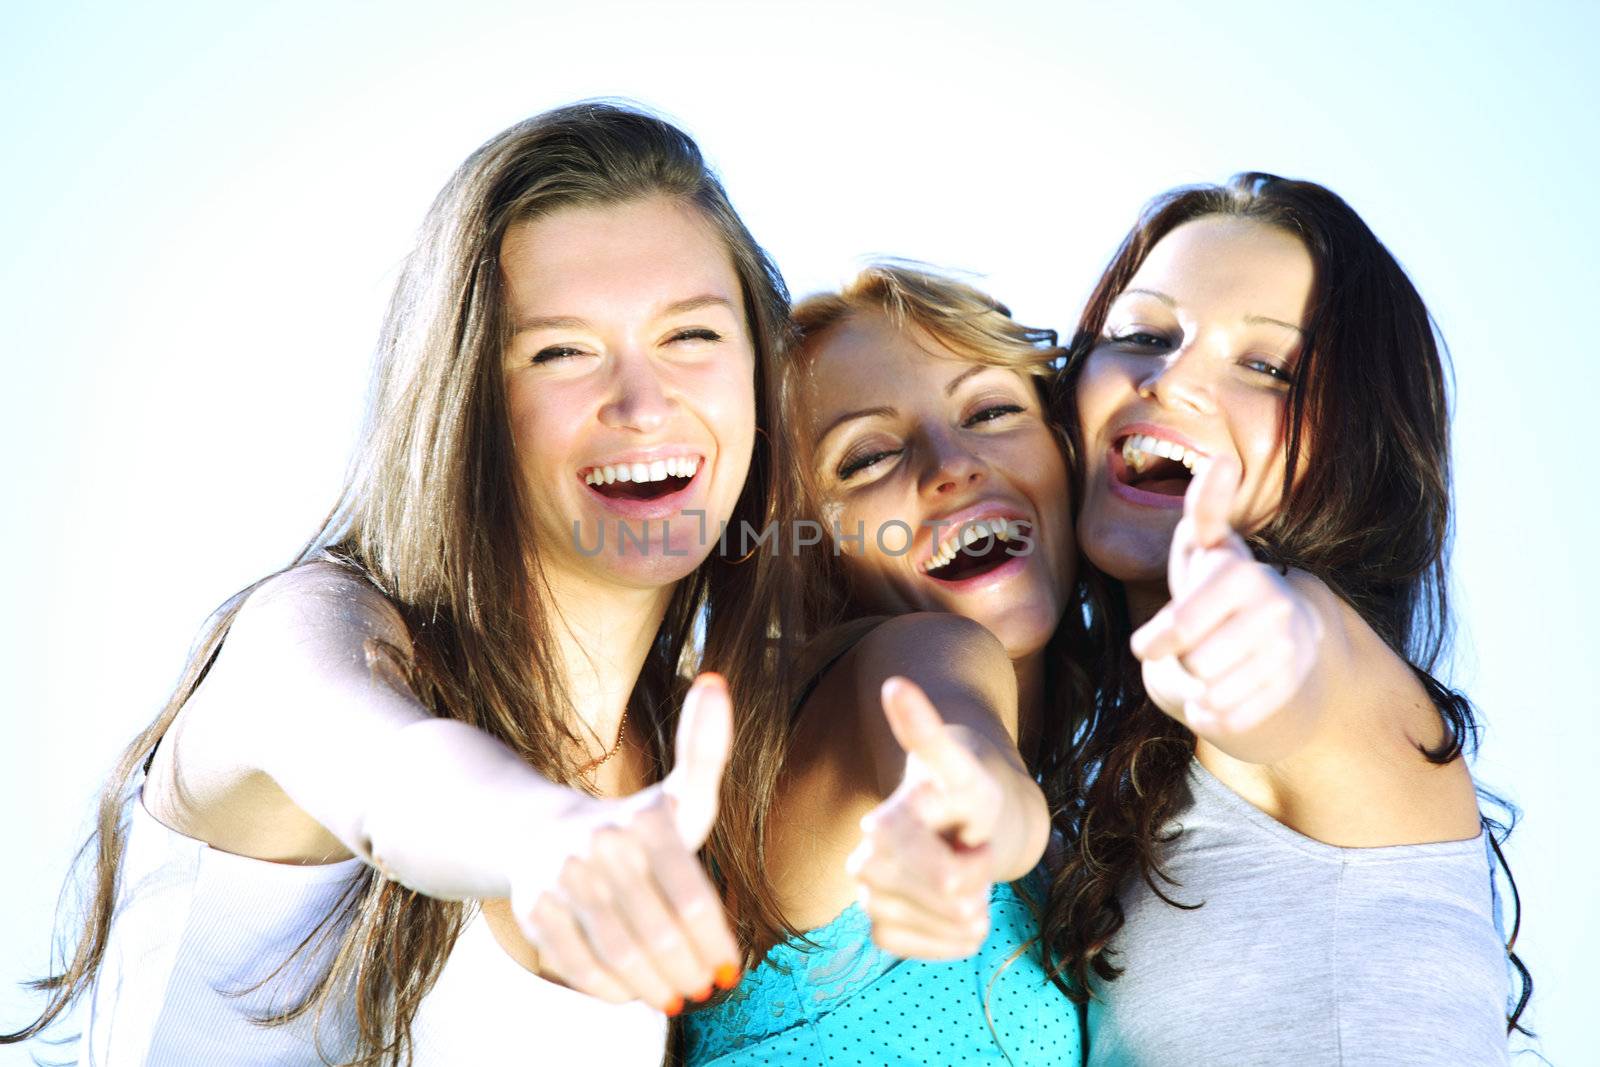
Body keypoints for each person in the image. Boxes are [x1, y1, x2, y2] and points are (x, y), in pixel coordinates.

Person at [3, 101, 794, 1065]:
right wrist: (551, 837)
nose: (641, 403)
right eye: (560, 351)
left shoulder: (692, 762)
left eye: (692, 336)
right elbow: (389, 779)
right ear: (466, 398)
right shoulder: (309, 634)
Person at [1044, 173, 1523, 1065]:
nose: (1173, 378)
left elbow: (1295, 659)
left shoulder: (1340, 667)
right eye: (1144, 335)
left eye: (1266, 366)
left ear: (1354, 448)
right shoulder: (1120, 778)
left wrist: (1254, 645)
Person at [686, 265, 1087, 1064]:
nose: (952, 462)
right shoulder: (915, 656)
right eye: (867, 456)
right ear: (802, 556)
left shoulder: (1091, 836)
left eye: (993, 410)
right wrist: (972, 807)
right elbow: (949, 731)